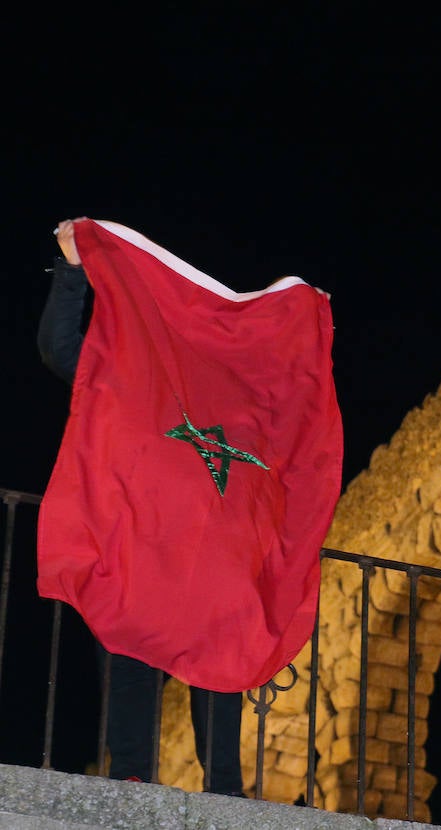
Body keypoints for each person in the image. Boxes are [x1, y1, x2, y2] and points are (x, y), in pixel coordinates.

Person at [38, 218, 244, 795]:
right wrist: (72, 269)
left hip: (211, 557)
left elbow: (284, 406)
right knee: (129, 648)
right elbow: (59, 349)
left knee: (220, 659)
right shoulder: (131, 382)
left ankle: (226, 788)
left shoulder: (232, 397)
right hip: (140, 547)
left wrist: (302, 326)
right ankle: (131, 774)